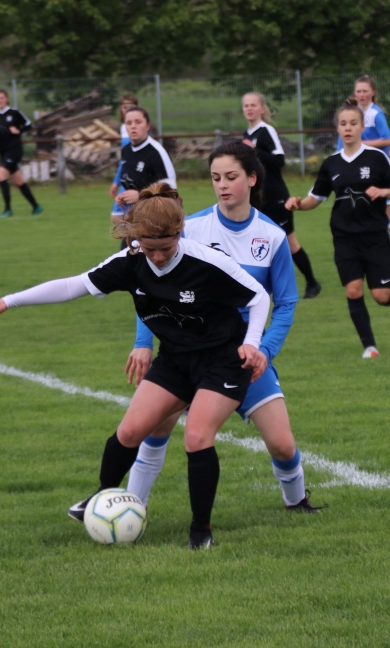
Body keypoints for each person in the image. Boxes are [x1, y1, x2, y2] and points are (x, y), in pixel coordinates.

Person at [0, 184, 270, 550]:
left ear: (179, 234)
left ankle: (200, 530)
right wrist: (8, 301)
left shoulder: (206, 261)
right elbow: (73, 286)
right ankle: (102, 497)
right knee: (128, 432)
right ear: (135, 237)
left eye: (165, 248)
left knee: (196, 437)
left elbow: (258, 297)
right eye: (148, 247)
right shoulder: (129, 261)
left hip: (223, 360)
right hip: (175, 359)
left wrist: (252, 343)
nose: (157, 256)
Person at [124, 142, 324, 513]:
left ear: (252, 178)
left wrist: (263, 351)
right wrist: (143, 342)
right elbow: (152, 289)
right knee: (157, 427)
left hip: (242, 355)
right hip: (188, 350)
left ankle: (297, 502)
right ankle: (132, 508)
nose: (222, 185)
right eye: (216, 178)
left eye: (231, 177)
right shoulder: (191, 229)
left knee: (282, 445)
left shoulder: (272, 236)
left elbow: (285, 304)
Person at [288, 99, 390, 359]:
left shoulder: (376, 158)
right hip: (345, 238)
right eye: (343, 123)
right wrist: (298, 205)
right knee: (353, 290)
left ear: (361, 127)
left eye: (353, 123)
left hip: (375, 236)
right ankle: (370, 347)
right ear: (337, 128)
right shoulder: (331, 163)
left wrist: (384, 191)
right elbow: (316, 198)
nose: (348, 128)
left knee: (379, 295)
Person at [241, 92, 322, 299]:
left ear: (262, 109)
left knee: (289, 242)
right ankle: (262, 288)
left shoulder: (266, 131)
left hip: (276, 197)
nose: (249, 108)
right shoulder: (247, 134)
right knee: (259, 243)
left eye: (253, 105)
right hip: (258, 199)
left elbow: (279, 160)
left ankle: (312, 282)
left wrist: (254, 150)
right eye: (246, 105)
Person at [336, 76, 390, 257]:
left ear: (373, 93)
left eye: (365, 91)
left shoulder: (375, 114)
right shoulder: (353, 114)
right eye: (358, 91)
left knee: (384, 209)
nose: (361, 95)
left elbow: (388, 141)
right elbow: (341, 144)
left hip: (376, 168)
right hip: (358, 167)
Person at [0, 89, 42, 218]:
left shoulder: (14, 113)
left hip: (14, 150)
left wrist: (19, 130)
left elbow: (28, 125)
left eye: (1, 98)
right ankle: (36, 206)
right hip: (3, 151)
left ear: (7, 99)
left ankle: (7, 210)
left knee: (0, 177)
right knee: (19, 181)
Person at [114, 106, 176, 219]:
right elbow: (132, 183)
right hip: (137, 217)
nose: (133, 126)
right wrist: (124, 197)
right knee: (116, 219)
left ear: (148, 126)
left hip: (160, 218)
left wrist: (141, 196)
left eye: (138, 122)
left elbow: (171, 191)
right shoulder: (126, 150)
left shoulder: (157, 152)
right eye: (129, 123)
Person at [108, 93, 139, 225]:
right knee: (125, 217)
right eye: (125, 107)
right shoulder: (123, 127)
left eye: (131, 106)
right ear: (121, 108)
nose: (128, 110)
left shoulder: (140, 128)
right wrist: (116, 182)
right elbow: (125, 159)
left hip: (138, 176)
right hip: (128, 176)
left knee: (118, 217)